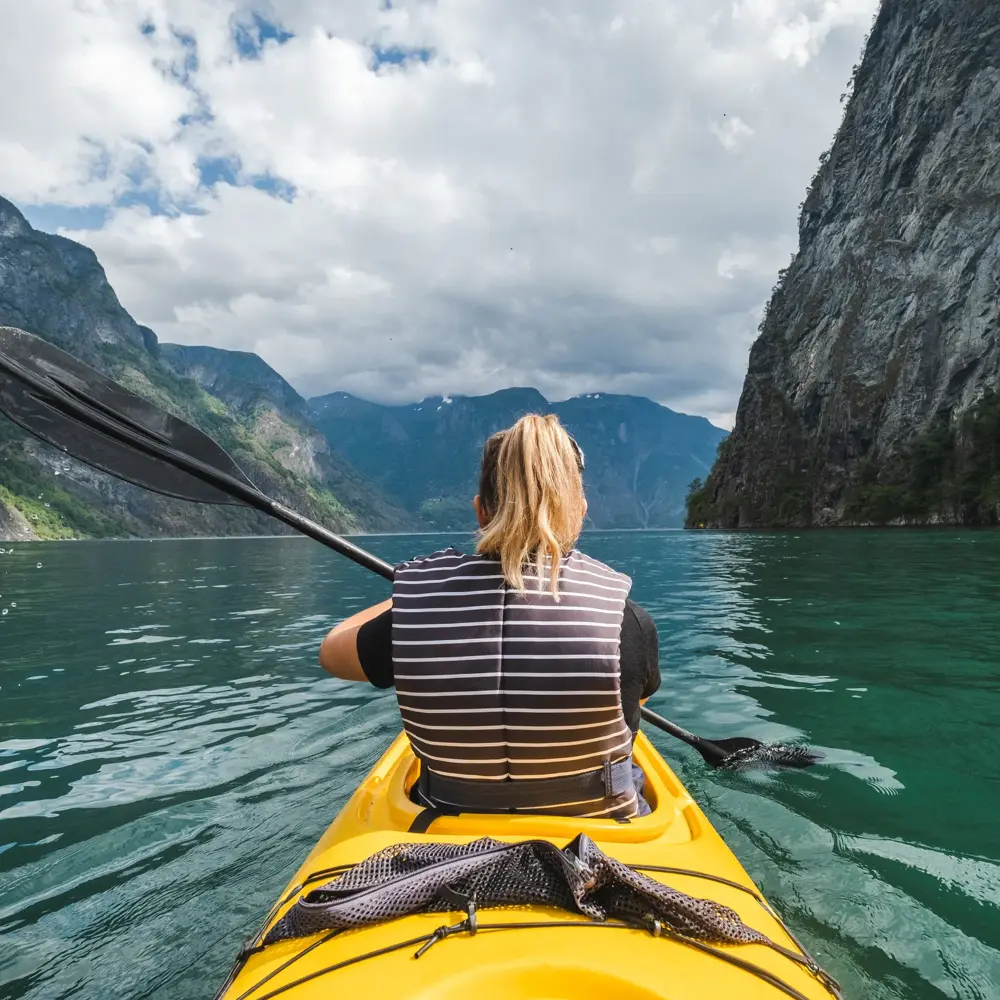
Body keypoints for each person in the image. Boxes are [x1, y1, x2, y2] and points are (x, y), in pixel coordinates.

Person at [319, 413, 661, 819]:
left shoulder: (412, 614)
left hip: (445, 843)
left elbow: (331, 653)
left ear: (481, 511)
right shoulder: (628, 621)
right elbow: (635, 699)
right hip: (606, 840)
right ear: (580, 511)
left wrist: (410, 595)